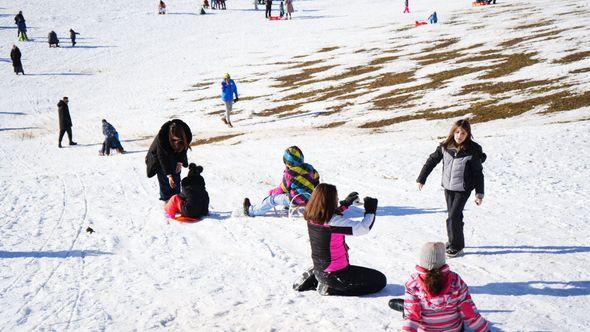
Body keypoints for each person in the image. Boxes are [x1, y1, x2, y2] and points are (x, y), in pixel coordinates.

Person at [292, 183, 386, 296]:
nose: (337, 199)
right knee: (380, 281)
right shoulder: (332, 223)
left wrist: (346, 204)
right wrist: (370, 210)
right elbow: (363, 228)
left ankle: (316, 277)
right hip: (336, 274)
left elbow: (332, 214)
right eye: (335, 197)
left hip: (321, 268)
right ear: (329, 201)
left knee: (369, 277)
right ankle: (330, 288)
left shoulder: (313, 215)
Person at [416, 119, 486, 258]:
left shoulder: (472, 151)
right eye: (457, 132)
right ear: (453, 132)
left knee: (453, 216)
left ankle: (457, 246)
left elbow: (478, 173)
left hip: (463, 188)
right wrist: (422, 178)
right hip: (448, 187)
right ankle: (453, 241)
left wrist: (479, 194)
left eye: (463, 133)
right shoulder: (445, 146)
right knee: (453, 216)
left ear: (468, 135)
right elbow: (431, 161)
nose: (459, 135)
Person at [388, 242, 490, 331]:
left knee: (411, 311)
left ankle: (407, 306)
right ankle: (409, 306)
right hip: (453, 330)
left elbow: (412, 317)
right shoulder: (456, 281)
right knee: (459, 308)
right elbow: (469, 312)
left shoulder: (413, 283)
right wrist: (484, 330)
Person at [243, 146, 319, 217]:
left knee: (272, 200)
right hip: (310, 198)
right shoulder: (310, 168)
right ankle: (288, 206)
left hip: (296, 200)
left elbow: (282, 189)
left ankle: (251, 210)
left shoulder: (290, 174)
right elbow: (316, 181)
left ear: (287, 162)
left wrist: (271, 193)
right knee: (294, 189)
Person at [145, 119, 192, 202]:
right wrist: (169, 175)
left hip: (175, 155)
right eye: (174, 140)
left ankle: (176, 199)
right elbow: (162, 158)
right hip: (159, 158)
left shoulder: (186, 134)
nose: (176, 141)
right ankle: (166, 200)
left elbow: (184, 149)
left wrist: (180, 162)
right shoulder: (162, 138)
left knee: (176, 175)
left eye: (179, 140)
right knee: (164, 178)